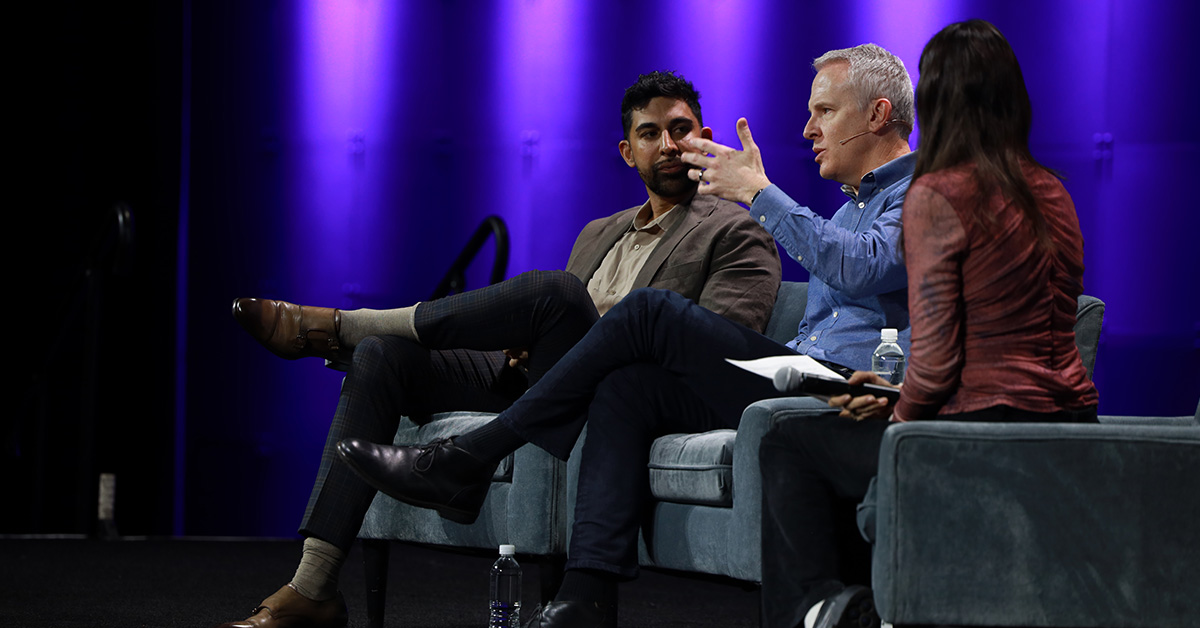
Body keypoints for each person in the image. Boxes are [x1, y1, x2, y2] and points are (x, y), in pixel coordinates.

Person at [337, 44, 917, 628]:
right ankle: (585, 594)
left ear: (876, 114)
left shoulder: (922, 196)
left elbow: (860, 266)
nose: (808, 127)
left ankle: (469, 455)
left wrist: (757, 192)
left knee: (647, 312)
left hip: (856, 386)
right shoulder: (845, 213)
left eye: (824, 111)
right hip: (796, 375)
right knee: (626, 386)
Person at [217, 71, 782, 628]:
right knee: (383, 357)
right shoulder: (598, 232)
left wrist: (578, 333)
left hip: (617, 390)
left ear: (706, 136)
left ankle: (339, 325)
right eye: (650, 133)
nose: (668, 144)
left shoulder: (734, 229)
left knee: (556, 293)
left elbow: (711, 346)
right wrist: (529, 343)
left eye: (681, 130)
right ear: (627, 151)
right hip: (541, 377)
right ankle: (313, 585)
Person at [757, 20, 1101, 628]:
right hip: (1069, 423)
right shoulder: (1053, 192)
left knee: (790, 440)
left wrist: (900, 421)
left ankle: (822, 612)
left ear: (937, 103)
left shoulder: (938, 195)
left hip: (971, 434)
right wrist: (892, 392)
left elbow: (940, 360)